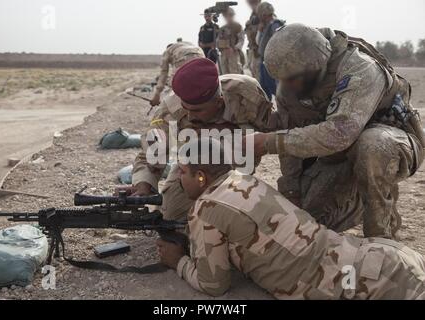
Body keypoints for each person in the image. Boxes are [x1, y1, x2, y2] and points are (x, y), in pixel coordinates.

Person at [157, 137, 425, 300]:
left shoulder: (206, 208)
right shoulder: (245, 181)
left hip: (367, 282)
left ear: (201, 176)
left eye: (182, 172)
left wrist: (177, 261)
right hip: (384, 256)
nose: (179, 179)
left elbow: (213, 285)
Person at [247, 24, 425, 238]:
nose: (286, 85)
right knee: (304, 221)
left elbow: (339, 133)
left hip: (393, 145)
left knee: (372, 144)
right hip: (340, 156)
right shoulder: (291, 87)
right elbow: (291, 140)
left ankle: (381, 236)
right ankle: (359, 199)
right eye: (282, 79)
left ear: (315, 65)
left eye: (292, 78)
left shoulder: (359, 69)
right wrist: (292, 193)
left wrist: (267, 142)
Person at [124, 58, 275, 221]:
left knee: (225, 211)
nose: (189, 116)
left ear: (219, 102)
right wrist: (143, 186)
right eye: (185, 108)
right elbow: (152, 155)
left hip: (236, 153)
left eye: (197, 111)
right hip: (192, 158)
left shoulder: (248, 95)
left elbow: (272, 136)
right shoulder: (170, 110)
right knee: (172, 217)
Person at [150, 41, 205, 107]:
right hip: (200, 54)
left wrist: (157, 94)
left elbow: (164, 73)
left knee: (174, 86)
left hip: (183, 58)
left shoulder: (167, 51)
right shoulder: (187, 44)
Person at [255, 2, 285, 99]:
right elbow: (258, 42)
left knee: (274, 88)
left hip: (271, 62)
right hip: (265, 61)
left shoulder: (275, 25)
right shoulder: (266, 26)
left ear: (264, 14)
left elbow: (278, 43)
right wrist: (260, 30)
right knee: (264, 88)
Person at [216, 7, 245, 75]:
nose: (228, 17)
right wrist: (221, 47)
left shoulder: (237, 26)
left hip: (234, 54)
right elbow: (218, 41)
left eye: (230, 15)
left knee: (235, 73)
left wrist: (235, 48)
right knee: (224, 73)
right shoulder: (222, 28)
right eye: (226, 15)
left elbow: (241, 39)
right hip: (223, 54)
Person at [245, 0, 262, 80]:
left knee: (260, 71)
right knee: (253, 69)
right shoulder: (253, 15)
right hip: (253, 48)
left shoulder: (263, 13)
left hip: (261, 49)